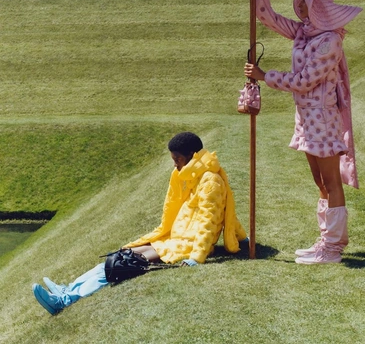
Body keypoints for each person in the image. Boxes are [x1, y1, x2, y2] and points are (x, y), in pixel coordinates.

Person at [32, 132, 247, 314]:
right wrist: (242, 237)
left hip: (186, 245)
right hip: (174, 239)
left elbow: (211, 221)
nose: (175, 164)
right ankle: (69, 288)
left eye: (177, 159)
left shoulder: (210, 181)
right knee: (122, 254)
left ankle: (64, 301)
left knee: (123, 264)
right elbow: (229, 213)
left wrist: (197, 257)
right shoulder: (194, 175)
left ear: (192, 155)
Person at [244, 0, 361, 265]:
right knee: (320, 182)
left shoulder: (329, 41)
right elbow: (268, 18)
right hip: (307, 120)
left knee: (331, 182)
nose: (296, 3)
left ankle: (332, 248)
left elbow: (305, 81)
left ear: (315, 5)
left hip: (323, 118)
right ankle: (325, 240)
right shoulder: (304, 32)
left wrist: (265, 76)